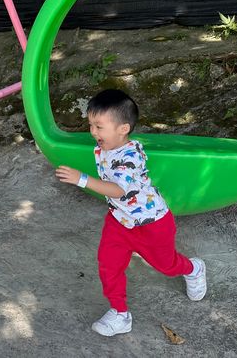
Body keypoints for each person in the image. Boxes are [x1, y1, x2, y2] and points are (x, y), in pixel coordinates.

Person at [54, 89, 206, 337]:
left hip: (152, 224)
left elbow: (118, 190)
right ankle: (119, 313)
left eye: (99, 127)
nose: (93, 132)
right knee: (108, 265)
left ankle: (193, 269)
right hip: (119, 220)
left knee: (166, 265)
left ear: (123, 129)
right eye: (91, 125)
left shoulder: (129, 157)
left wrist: (82, 179)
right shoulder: (105, 146)